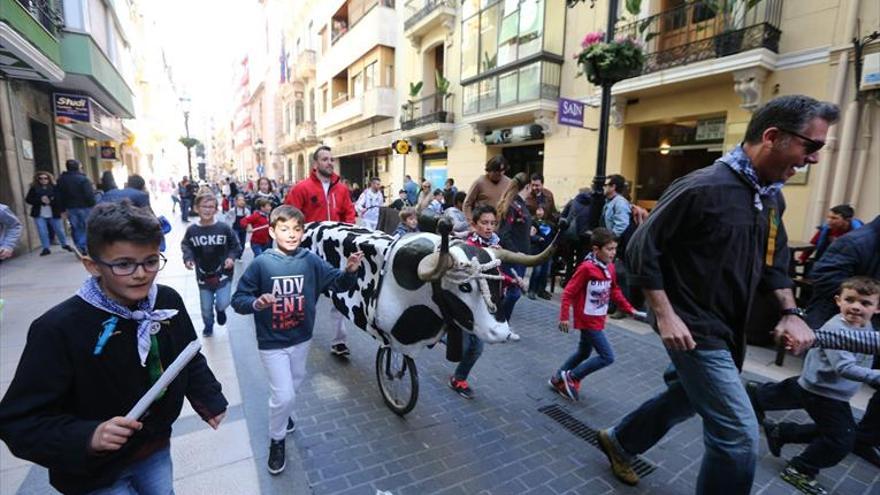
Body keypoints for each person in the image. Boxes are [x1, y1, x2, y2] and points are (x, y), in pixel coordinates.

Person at [596, 95, 838, 493]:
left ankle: (622, 441)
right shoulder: (701, 186)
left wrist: (791, 312)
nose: (813, 158)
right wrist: (665, 313)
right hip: (691, 326)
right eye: (810, 146)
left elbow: (774, 262)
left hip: (728, 327)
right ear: (773, 136)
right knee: (739, 434)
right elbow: (642, 248)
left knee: (688, 397)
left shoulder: (771, 197)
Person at [0, 201, 227, 494]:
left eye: (151, 261)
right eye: (123, 264)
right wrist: (88, 436)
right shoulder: (58, 329)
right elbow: (20, 421)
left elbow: (187, 355)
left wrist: (208, 397)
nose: (141, 274)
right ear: (92, 265)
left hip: (153, 447)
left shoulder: (167, 301)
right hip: (95, 473)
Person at [231, 205, 362, 474]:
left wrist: (350, 271)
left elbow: (338, 284)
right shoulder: (261, 263)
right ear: (271, 231)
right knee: (283, 394)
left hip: (302, 338)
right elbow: (238, 300)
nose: (291, 234)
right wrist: (256, 303)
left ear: (303, 233)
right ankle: (276, 440)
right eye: (284, 229)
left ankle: (286, 411)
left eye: (297, 229)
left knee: (293, 385)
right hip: (272, 342)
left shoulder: (310, 260)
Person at [747, 276, 879, 494]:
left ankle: (775, 421)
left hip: (817, 385)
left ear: (877, 308)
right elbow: (844, 368)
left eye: (865, 303)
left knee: (794, 397)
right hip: (826, 393)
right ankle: (801, 469)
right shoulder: (838, 328)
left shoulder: (867, 327)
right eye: (850, 300)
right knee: (841, 440)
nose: (856, 307)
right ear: (838, 301)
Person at [805, 214, 880, 468]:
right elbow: (825, 277)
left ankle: (862, 438)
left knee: (826, 411)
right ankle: (802, 464)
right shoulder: (857, 241)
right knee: (816, 394)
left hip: (865, 327)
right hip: (841, 326)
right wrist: (861, 303)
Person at [552, 228, 643, 400]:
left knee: (583, 352)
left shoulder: (610, 267)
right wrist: (564, 317)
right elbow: (569, 292)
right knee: (607, 357)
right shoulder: (586, 268)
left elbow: (614, 290)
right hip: (587, 320)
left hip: (598, 318)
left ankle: (558, 377)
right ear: (596, 250)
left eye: (615, 249)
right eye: (609, 249)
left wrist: (630, 309)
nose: (613, 253)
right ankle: (572, 377)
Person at [284, 145, 357, 357]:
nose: (330, 162)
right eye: (325, 159)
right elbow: (290, 217)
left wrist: (347, 235)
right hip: (309, 253)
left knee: (339, 295)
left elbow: (349, 214)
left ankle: (339, 341)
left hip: (336, 252)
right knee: (307, 297)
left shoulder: (342, 189)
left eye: (331, 159)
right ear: (315, 164)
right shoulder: (301, 188)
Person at [449, 205, 516, 399]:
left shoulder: (496, 243)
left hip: (484, 304)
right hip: (468, 302)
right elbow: (479, 273)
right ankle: (443, 336)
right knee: (464, 347)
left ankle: (458, 378)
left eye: (493, 223)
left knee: (476, 347)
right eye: (484, 223)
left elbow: (496, 272)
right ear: (474, 224)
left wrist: (512, 280)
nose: (489, 227)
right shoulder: (470, 246)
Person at [182, 193, 241, 337]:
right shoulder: (192, 230)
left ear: (216, 209)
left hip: (223, 274)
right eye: (204, 206)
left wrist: (231, 258)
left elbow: (235, 245)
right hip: (203, 276)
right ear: (196, 208)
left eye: (211, 207)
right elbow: (186, 246)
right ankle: (208, 325)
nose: (207, 210)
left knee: (223, 302)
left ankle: (220, 310)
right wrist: (188, 258)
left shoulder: (223, 228)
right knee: (206, 308)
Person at [496, 172, 531, 338]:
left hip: (518, 257)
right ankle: (502, 325)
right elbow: (504, 234)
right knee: (515, 293)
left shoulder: (518, 204)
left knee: (511, 292)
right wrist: (516, 253)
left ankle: (499, 322)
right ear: (528, 186)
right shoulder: (513, 206)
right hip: (514, 257)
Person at [799, 204, 864, 267]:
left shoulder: (859, 234)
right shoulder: (826, 229)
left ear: (847, 220)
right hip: (826, 262)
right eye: (828, 217)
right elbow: (813, 244)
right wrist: (802, 258)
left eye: (834, 218)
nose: (829, 220)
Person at [25, 172, 74, 256]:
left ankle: (64, 244)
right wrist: (40, 200)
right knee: (42, 231)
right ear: (38, 179)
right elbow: (28, 199)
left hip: (54, 212)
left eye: (45, 178)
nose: (43, 180)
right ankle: (46, 248)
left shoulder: (55, 188)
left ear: (49, 179)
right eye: (41, 178)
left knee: (59, 229)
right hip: (39, 214)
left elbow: (60, 200)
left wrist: (51, 202)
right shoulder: (34, 188)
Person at [56, 159, 96, 254]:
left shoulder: (61, 180)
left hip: (70, 208)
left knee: (76, 227)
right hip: (84, 207)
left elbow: (59, 196)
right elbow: (89, 195)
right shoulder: (83, 179)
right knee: (85, 227)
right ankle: (83, 246)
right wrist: (93, 205)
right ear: (78, 167)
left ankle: (80, 245)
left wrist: (62, 209)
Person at [463, 156, 512, 220]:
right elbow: (467, 204)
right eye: (495, 172)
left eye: (502, 171)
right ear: (489, 170)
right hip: (483, 222)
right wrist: (470, 221)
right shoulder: (479, 182)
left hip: (501, 223)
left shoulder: (509, 183)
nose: (499, 174)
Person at [526, 206, 554, 300]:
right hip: (538, 250)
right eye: (538, 209)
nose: (539, 212)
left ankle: (541, 290)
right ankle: (532, 290)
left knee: (545, 272)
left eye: (541, 210)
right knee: (537, 271)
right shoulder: (534, 222)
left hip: (548, 251)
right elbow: (530, 235)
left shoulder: (550, 223)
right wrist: (538, 238)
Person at [227, 194, 251, 260]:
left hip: (243, 229)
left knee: (243, 243)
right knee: (238, 241)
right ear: (236, 201)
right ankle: (235, 254)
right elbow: (228, 221)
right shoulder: (232, 211)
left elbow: (249, 220)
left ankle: (239, 255)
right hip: (235, 228)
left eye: (243, 200)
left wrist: (249, 227)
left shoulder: (246, 211)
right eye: (240, 200)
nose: (242, 202)